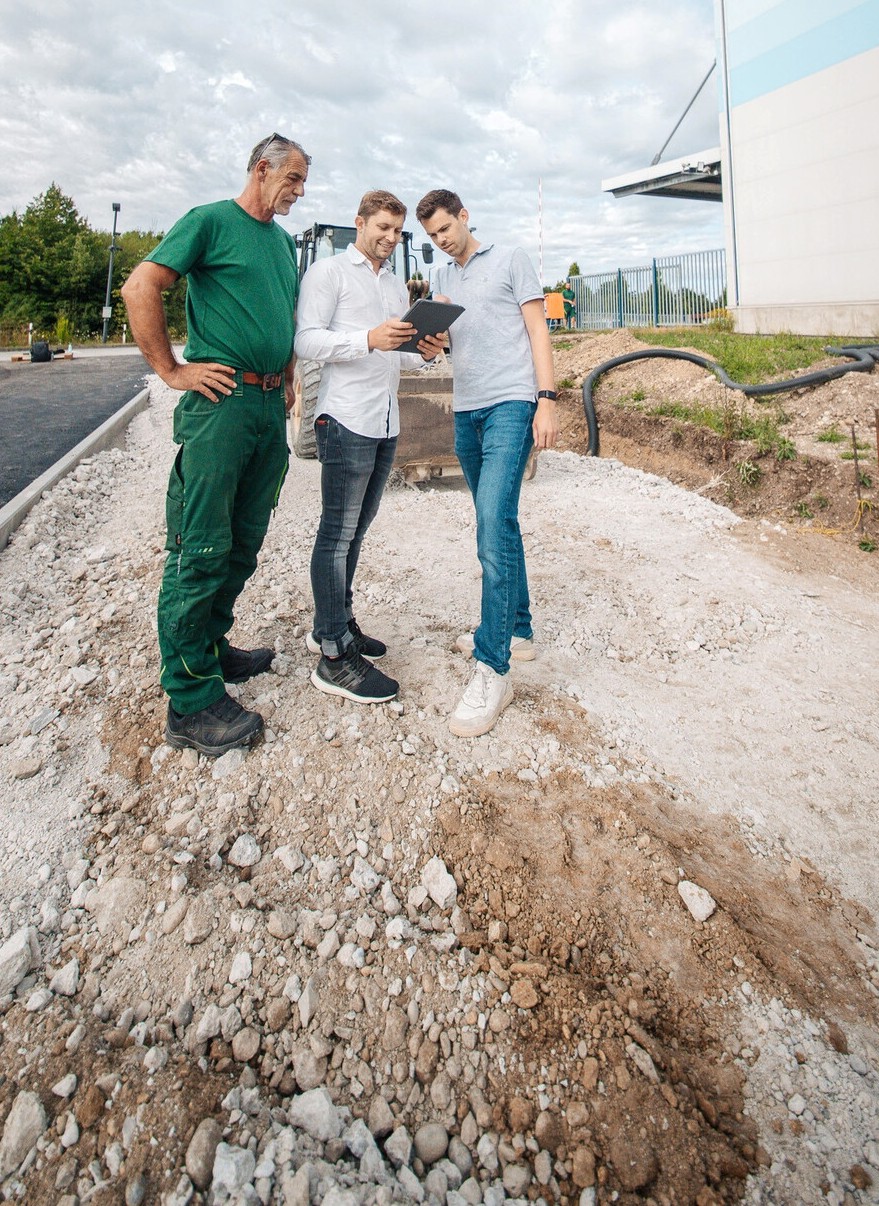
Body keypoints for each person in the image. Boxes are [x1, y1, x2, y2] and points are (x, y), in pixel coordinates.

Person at [121, 133, 309, 757]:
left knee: (243, 539)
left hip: (265, 406)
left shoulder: (283, 245)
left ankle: (212, 648)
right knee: (200, 545)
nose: (299, 193)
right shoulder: (209, 222)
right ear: (262, 169)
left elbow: (281, 317)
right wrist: (172, 370)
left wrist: (287, 377)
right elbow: (140, 288)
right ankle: (190, 700)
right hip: (220, 408)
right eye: (294, 179)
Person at [416, 188, 559, 738]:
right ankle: (517, 630)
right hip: (467, 409)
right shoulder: (446, 279)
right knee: (499, 521)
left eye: (446, 229)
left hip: (512, 404)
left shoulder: (510, 259)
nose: (441, 240)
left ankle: (492, 665)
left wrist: (547, 399)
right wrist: (430, 345)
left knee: (489, 525)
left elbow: (537, 329)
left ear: (464, 216)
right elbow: (449, 343)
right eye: (432, 235)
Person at [294, 191, 446, 703]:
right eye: (382, 226)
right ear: (359, 223)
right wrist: (366, 340)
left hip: (384, 421)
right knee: (336, 535)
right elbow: (306, 341)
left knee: (355, 532)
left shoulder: (396, 287)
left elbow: (396, 358)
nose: (390, 237)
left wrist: (424, 353)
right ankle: (334, 656)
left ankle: (338, 623)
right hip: (345, 419)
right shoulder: (329, 274)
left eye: (398, 230)